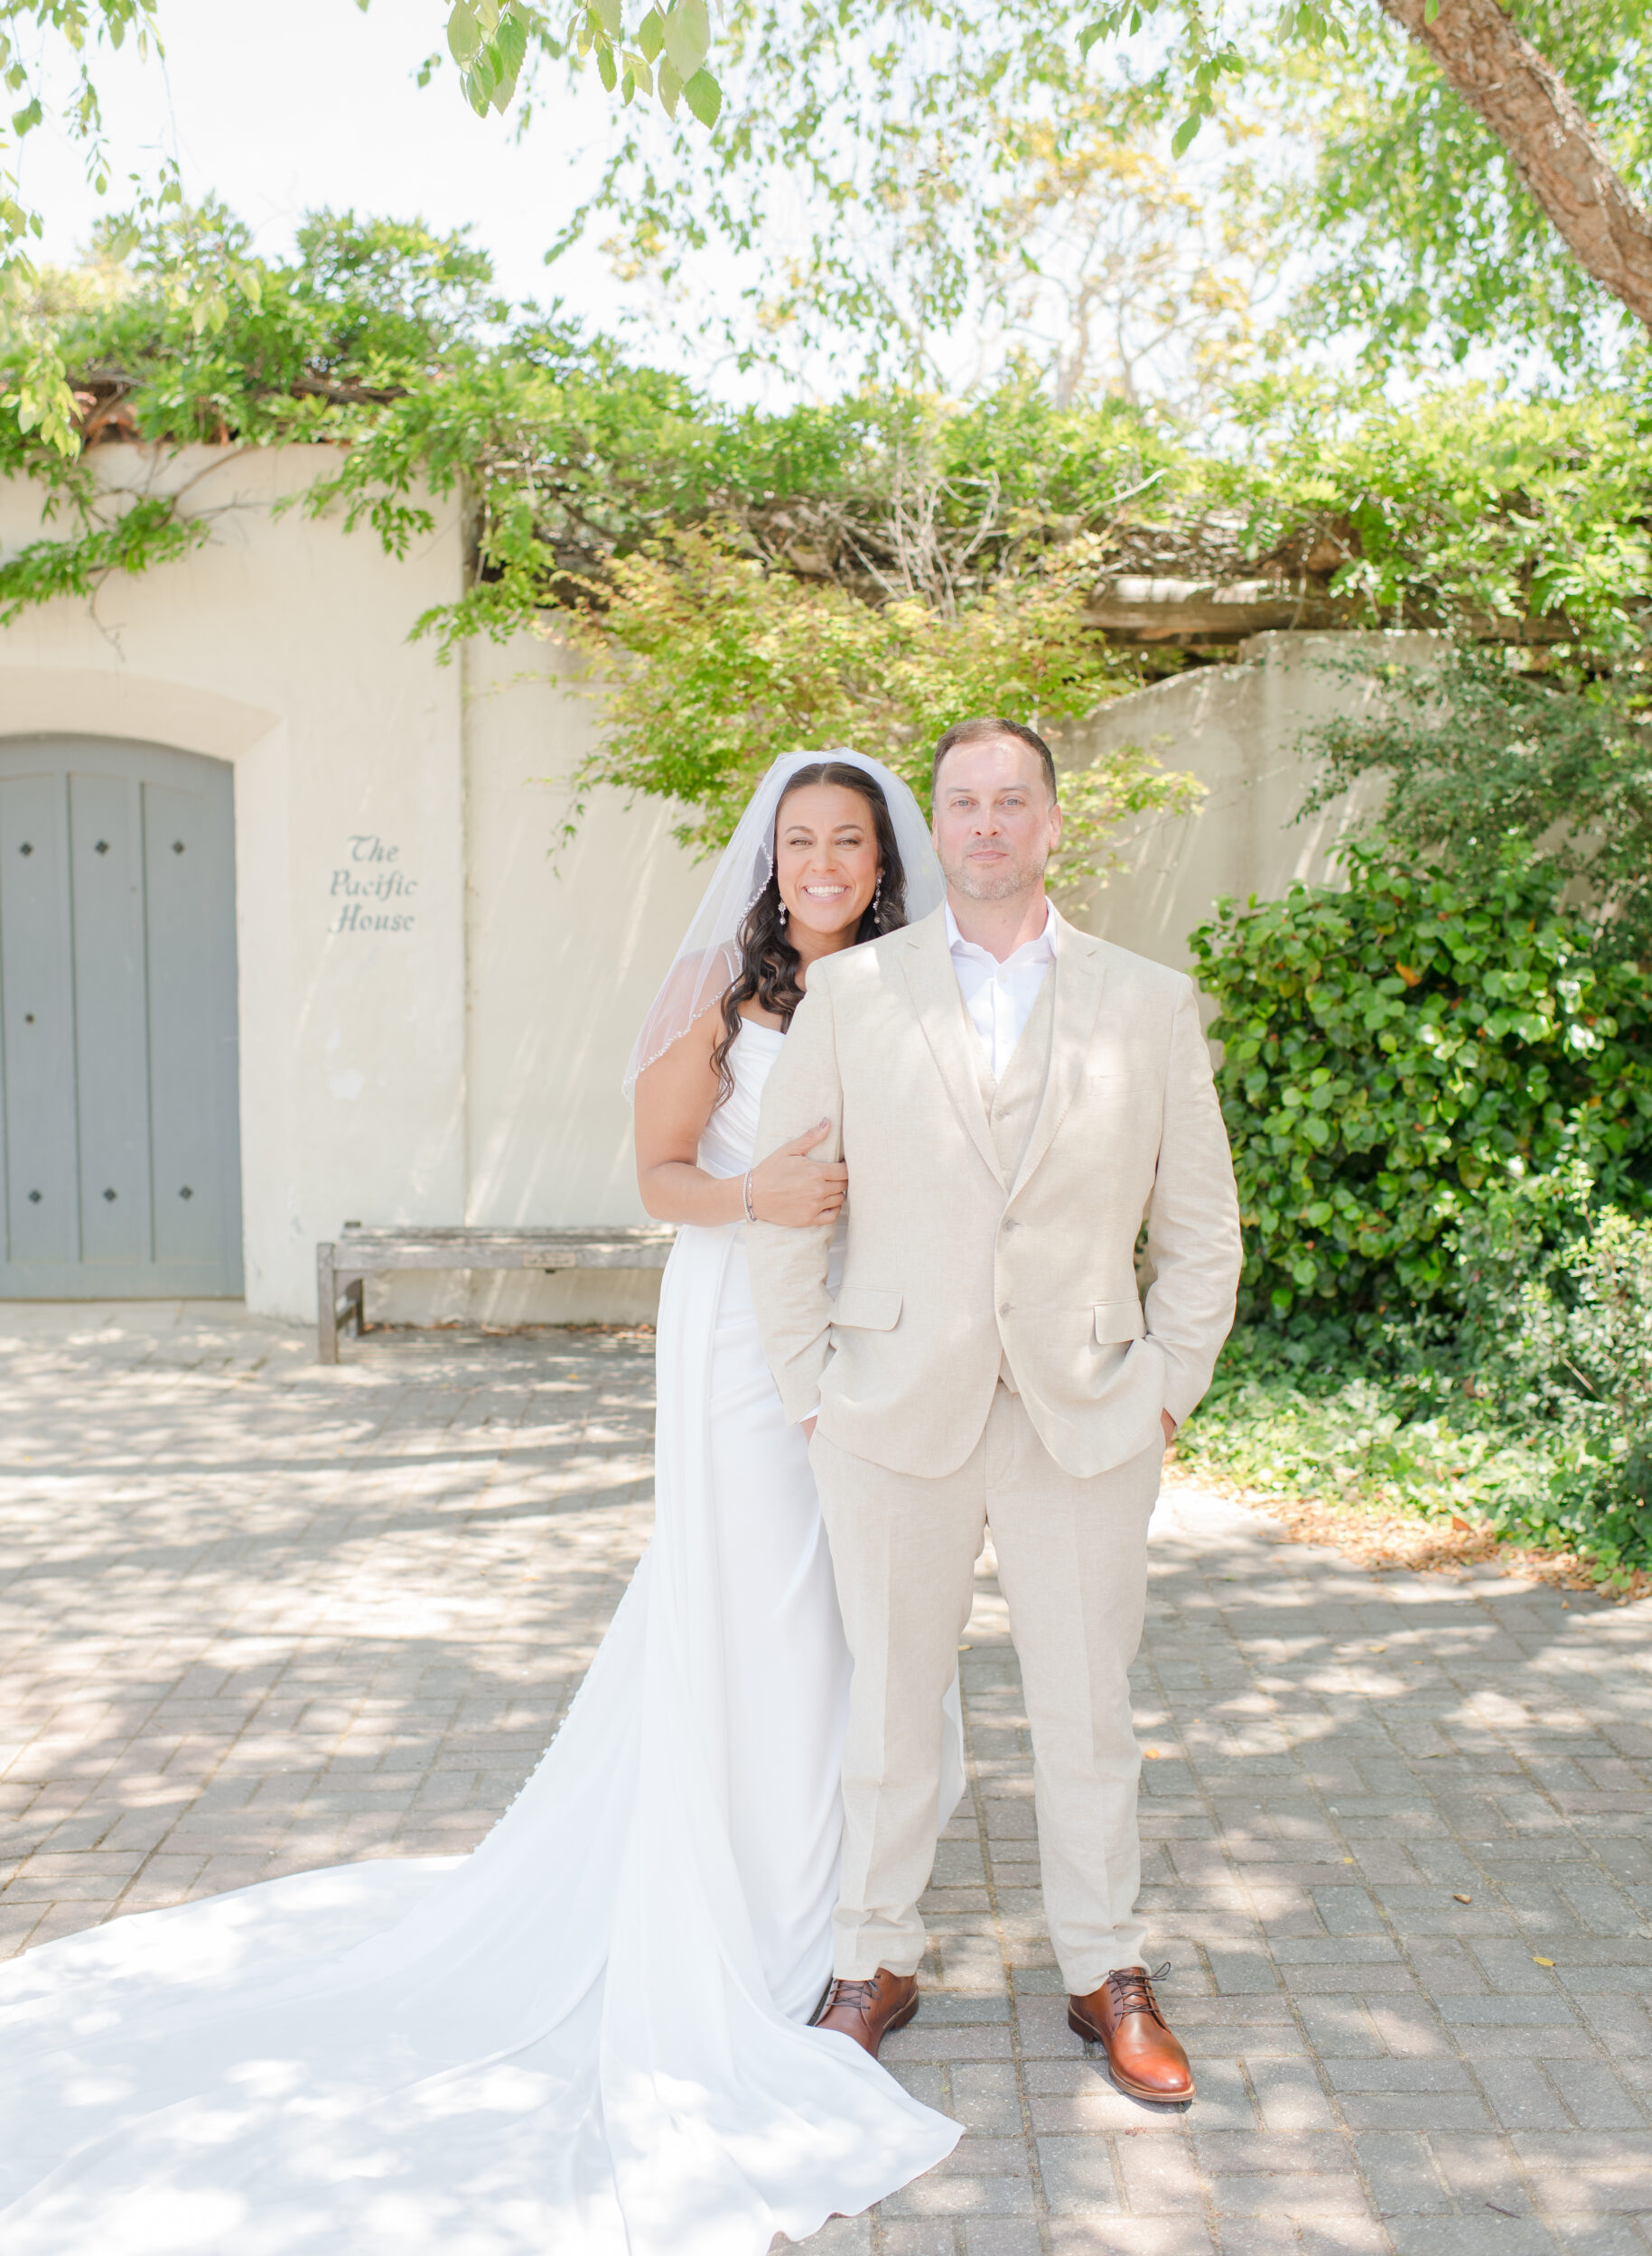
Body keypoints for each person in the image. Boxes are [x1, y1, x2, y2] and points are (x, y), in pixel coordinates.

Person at [0, 750, 962, 2255]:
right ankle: (754, 1936)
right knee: (757, 1614)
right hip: (732, 1330)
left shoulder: (918, 985)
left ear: (882, 859)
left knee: (864, 1627)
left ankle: (859, 1923)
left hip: (877, 1330)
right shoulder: (721, 982)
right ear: (769, 858)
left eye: (849, 839)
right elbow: (656, 1177)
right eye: (801, 840)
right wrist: (755, 1199)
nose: (825, 861)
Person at [748, 715, 1243, 2102]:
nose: (983, 824)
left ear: (1048, 823)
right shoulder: (854, 997)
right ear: (938, 828)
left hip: (1086, 1412)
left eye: (1008, 801)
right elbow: (789, 1214)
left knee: (1085, 1710)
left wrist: (1168, 1388)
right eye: (960, 802)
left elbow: (1202, 1229)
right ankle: (872, 1957)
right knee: (890, 1709)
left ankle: (1103, 1971)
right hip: (890, 1406)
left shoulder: (1146, 1001)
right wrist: (808, 1393)